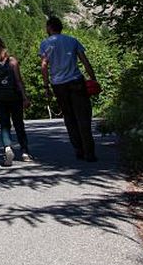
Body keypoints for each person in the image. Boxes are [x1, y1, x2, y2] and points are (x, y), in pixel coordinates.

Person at [39, 16, 99, 162]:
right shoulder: (72, 40)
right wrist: (93, 78)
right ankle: (89, 152)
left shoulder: (45, 44)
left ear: (49, 27)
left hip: (59, 85)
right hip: (76, 81)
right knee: (83, 117)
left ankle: (78, 149)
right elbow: (84, 61)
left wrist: (46, 86)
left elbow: (44, 66)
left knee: (69, 117)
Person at [0, 35, 32, 167]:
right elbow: (18, 81)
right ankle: (25, 152)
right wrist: (25, 97)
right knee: (19, 123)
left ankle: (8, 148)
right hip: (14, 96)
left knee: (4, 124)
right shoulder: (12, 61)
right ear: (3, 46)